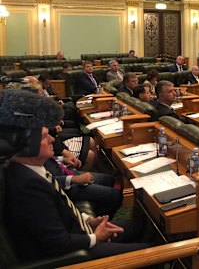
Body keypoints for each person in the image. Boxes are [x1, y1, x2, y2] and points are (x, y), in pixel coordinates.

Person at [0, 89, 149, 262]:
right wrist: (96, 237)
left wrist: (89, 220)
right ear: (27, 146)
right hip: (72, 255)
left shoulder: (31, 168)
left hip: (77, 229)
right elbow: (57, 243)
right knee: (151, 253)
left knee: (137, 226)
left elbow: (60, 207)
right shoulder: (27, 185)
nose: (51, 140)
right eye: (44, 137)